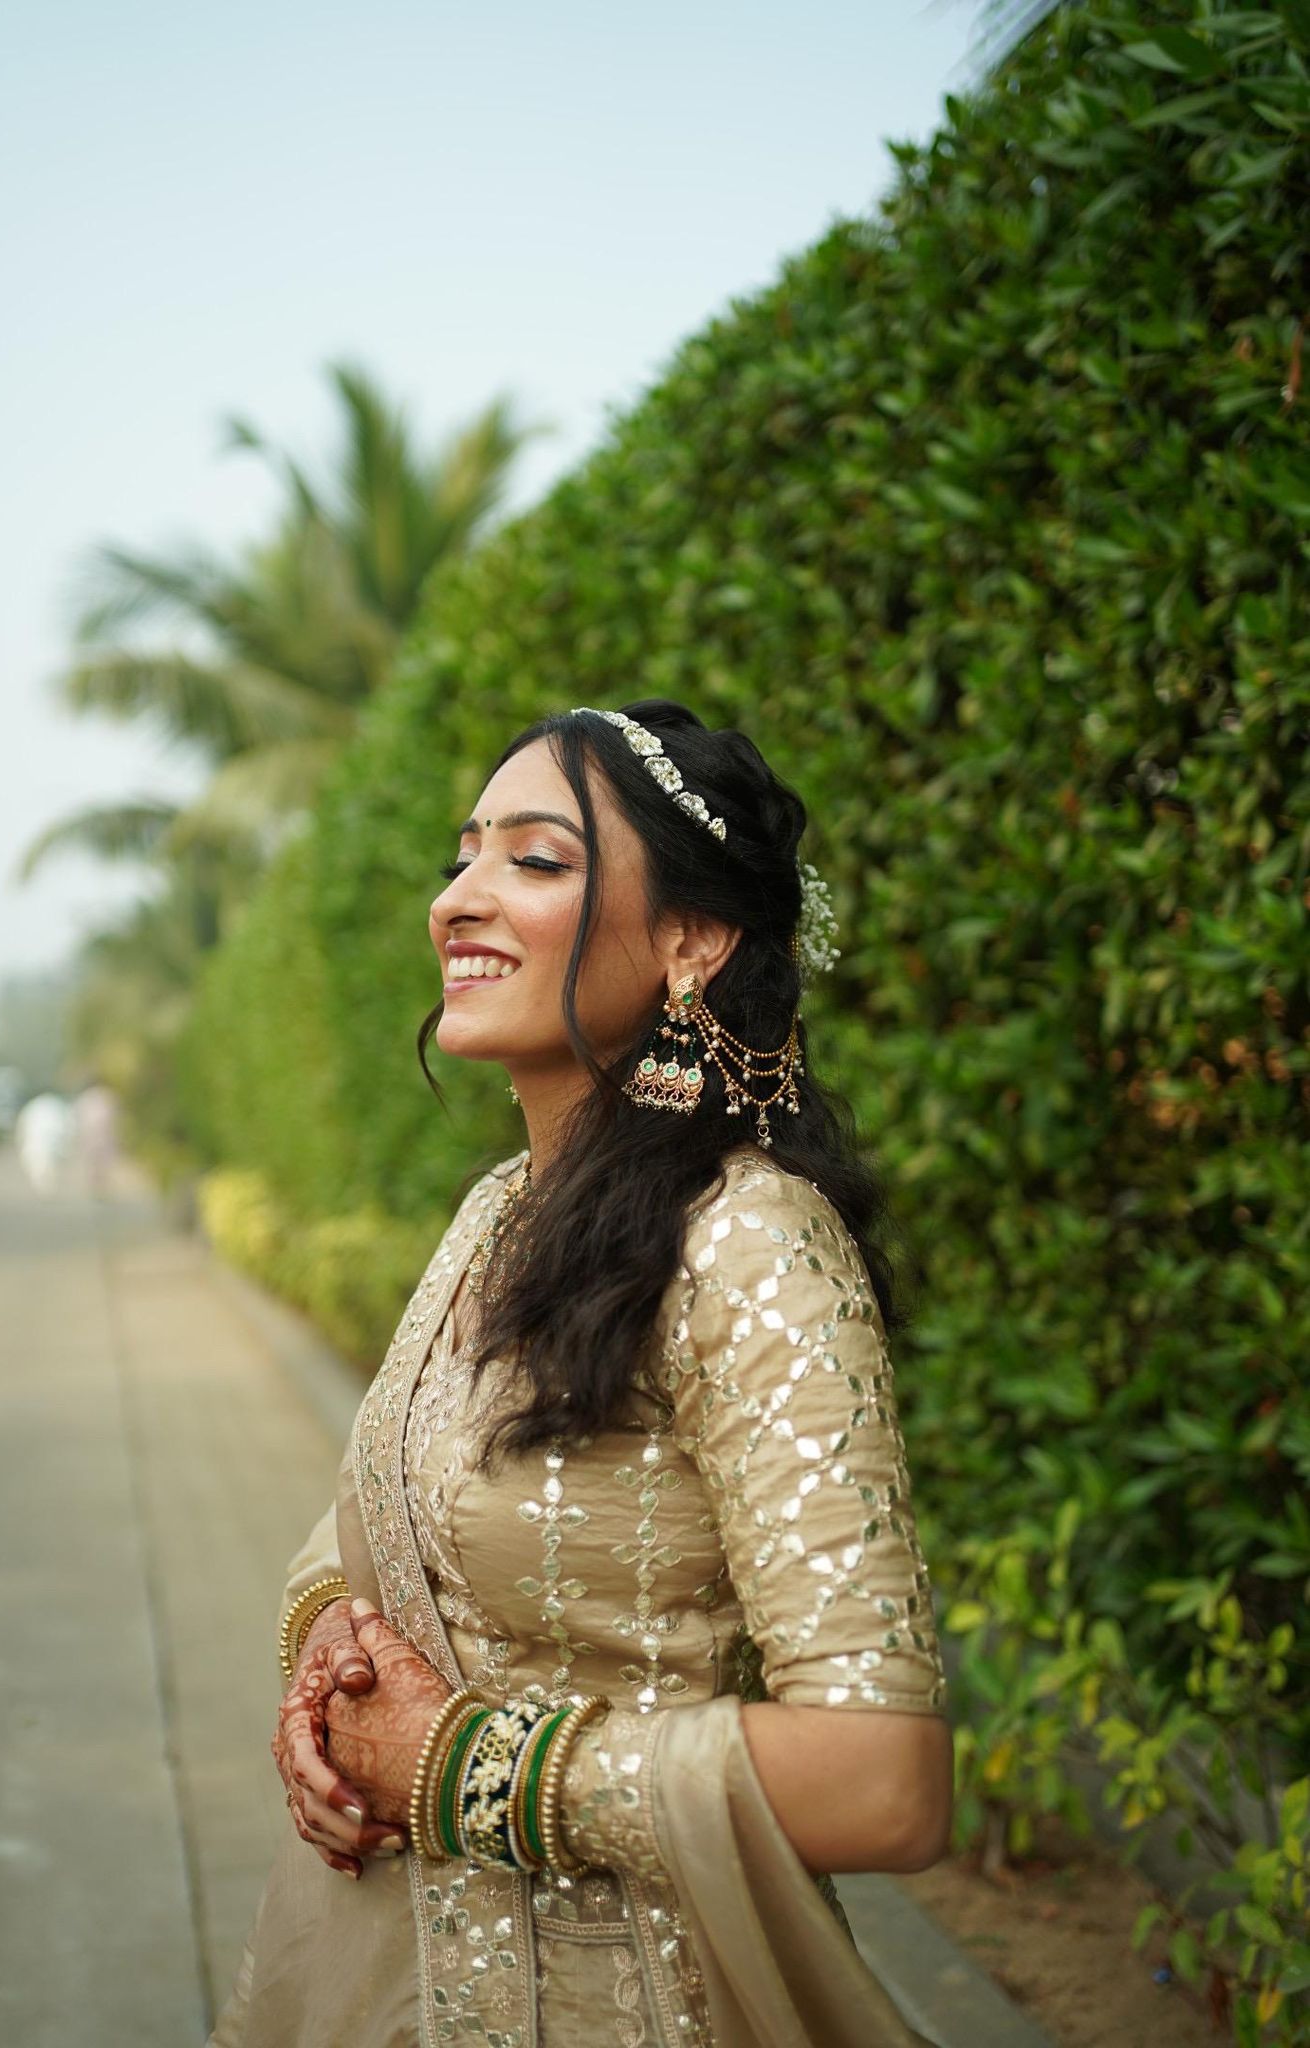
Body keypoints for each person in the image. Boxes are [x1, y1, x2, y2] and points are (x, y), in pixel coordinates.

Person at [209, 700, 952, 2048]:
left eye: (536, 862)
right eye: (462, 855)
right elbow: (385, 1513)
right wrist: (326, 1664)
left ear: (692, 941)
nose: (460, 900)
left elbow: (880, 1783)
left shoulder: (748, 1247)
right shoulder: (498, 1211)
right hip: (394, 1980)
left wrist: (460, 1769)